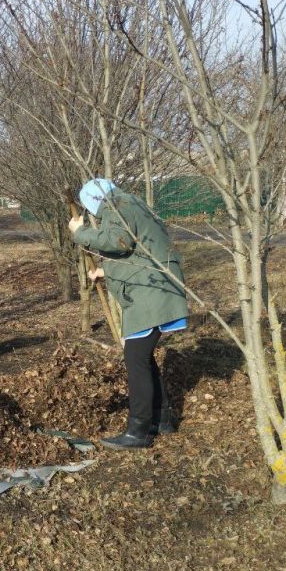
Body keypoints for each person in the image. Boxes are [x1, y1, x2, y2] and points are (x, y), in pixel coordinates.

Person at [69, 179, 189, 450]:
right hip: (156, 285)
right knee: (142, 357)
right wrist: (105, 271)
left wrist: (81, 233)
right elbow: (137, 250)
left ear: (92, 202)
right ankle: (162, 420)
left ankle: (138, 433)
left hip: (151, 292)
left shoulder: (117, 207)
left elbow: (118, 241)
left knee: (135, 359)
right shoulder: (130, 203)